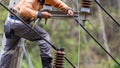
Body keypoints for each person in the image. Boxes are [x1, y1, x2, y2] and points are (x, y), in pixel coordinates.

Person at [0, 0, 74, 68]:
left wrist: (68, 9)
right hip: (18, 24)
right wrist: (39, 14)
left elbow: (57, 2)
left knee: (8, 51)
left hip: (10, 23)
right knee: (44, 36)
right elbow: (23, 10)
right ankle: (46, 65)